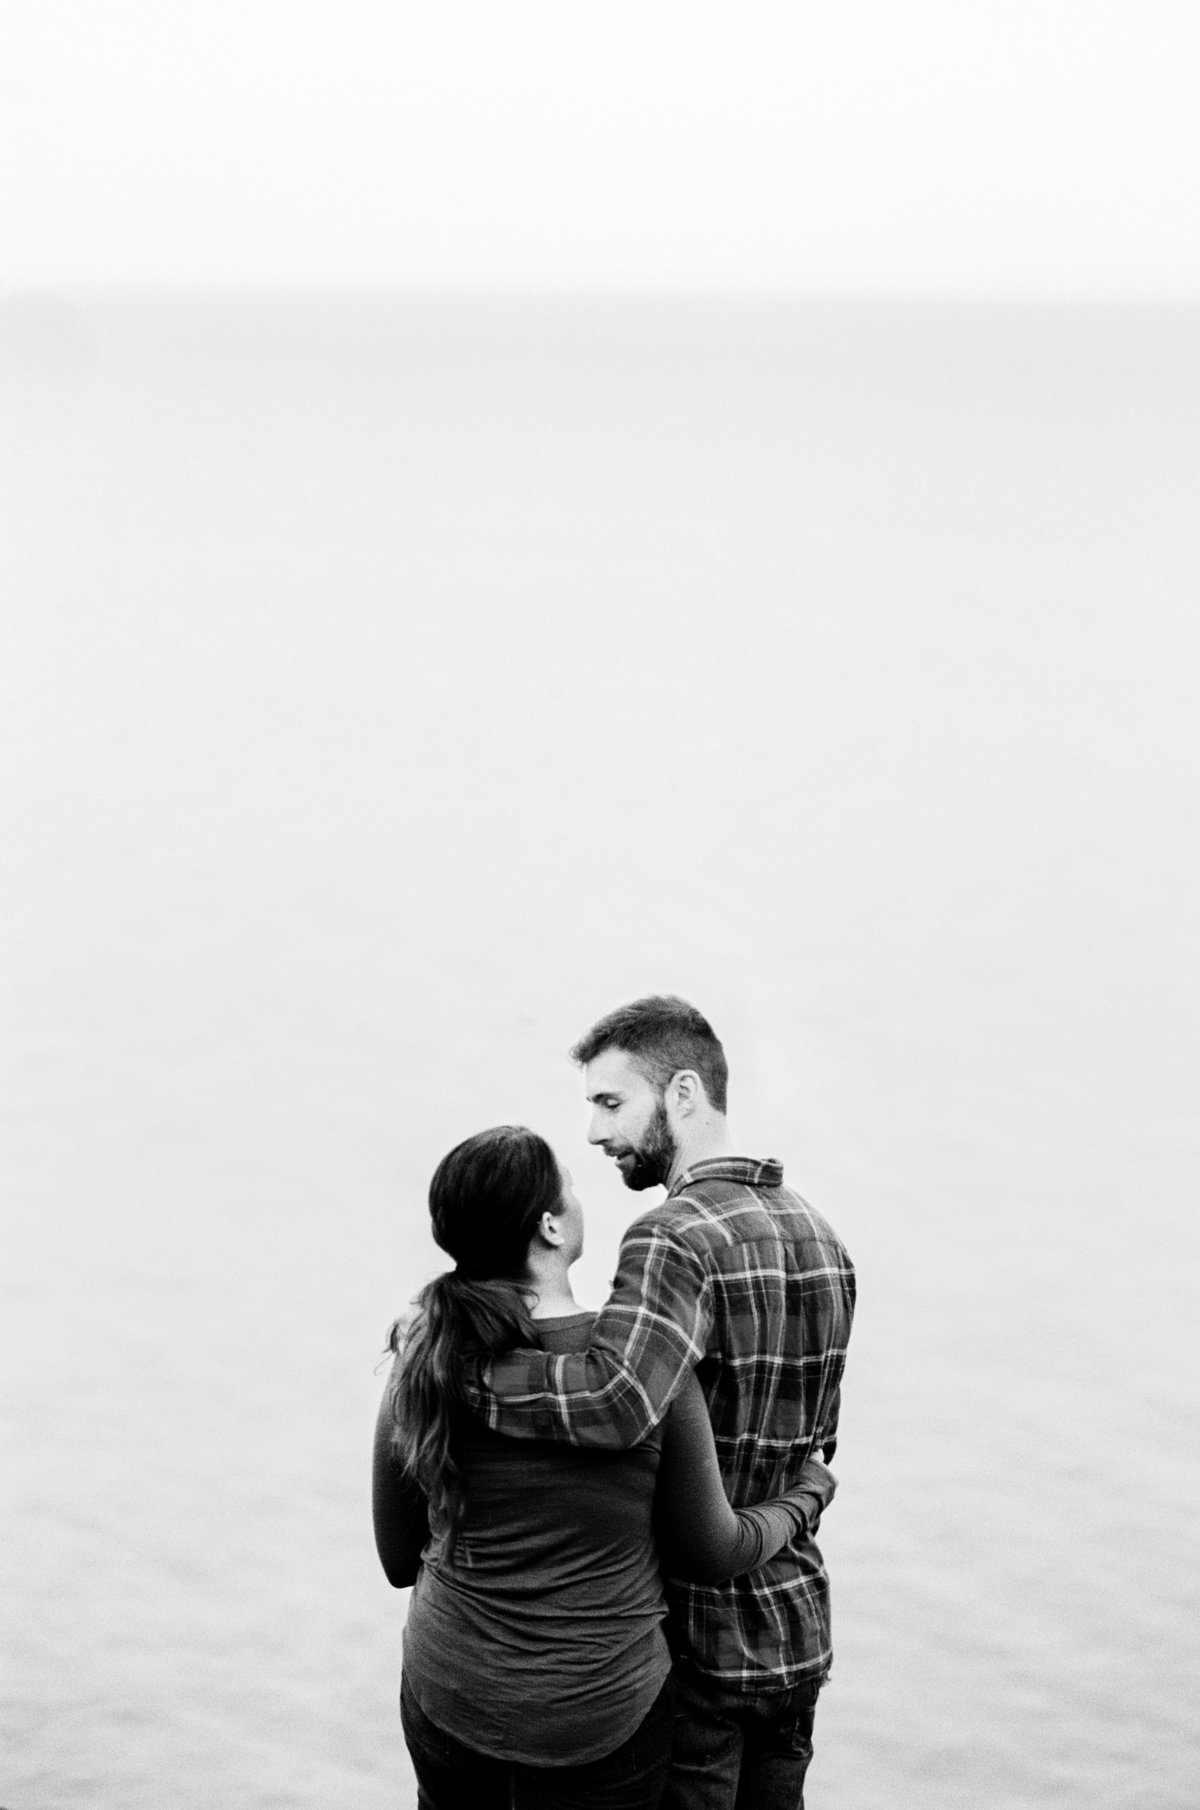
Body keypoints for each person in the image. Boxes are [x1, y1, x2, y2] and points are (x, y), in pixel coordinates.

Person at [373, 1123, 838, 1810]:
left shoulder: (427, 1354)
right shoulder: (645, 1369)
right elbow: (712, 1548)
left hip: (448, 1697)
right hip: (598, 1719)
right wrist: (806, 1495)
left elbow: (397, 1561)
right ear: (551, 1227)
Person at [465, 1000, 856, 1810]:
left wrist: (462, 1375)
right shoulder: (824, 1241)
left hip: (699, 1650)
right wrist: (807, 1491)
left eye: (611, 1103)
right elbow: (817, 1444)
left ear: (683, 1093)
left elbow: (614, 1402)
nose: (594, 1132)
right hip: (797, 1638)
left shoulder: (671, 1236)